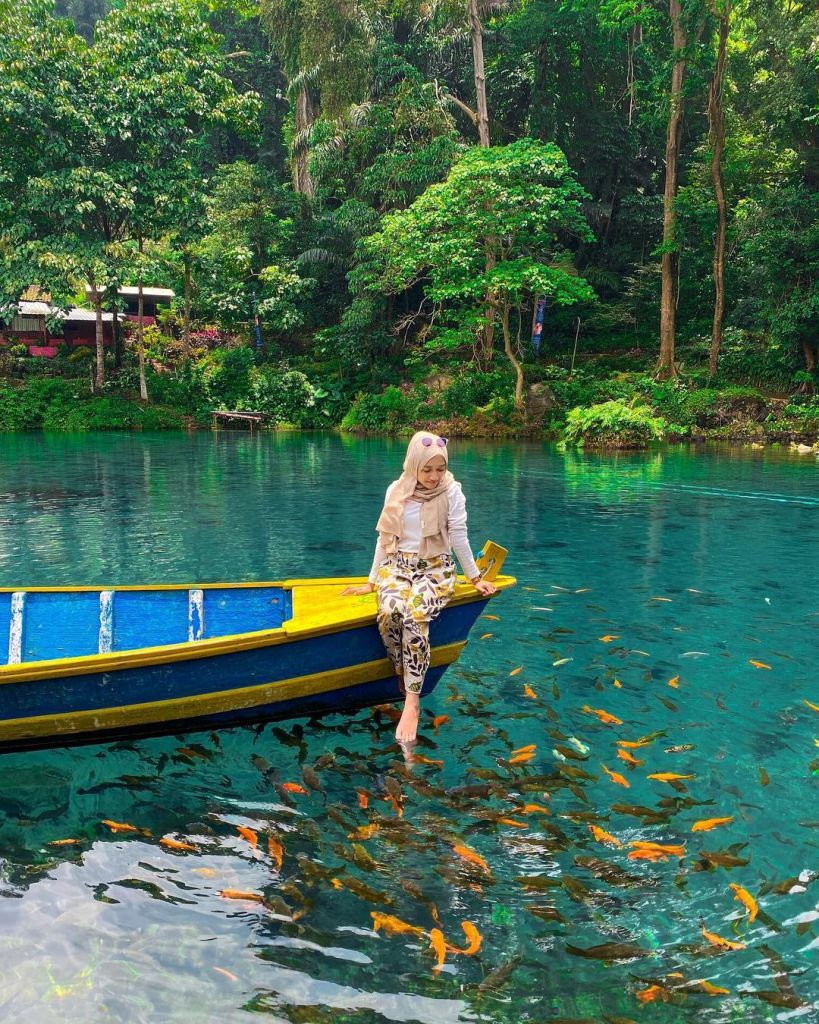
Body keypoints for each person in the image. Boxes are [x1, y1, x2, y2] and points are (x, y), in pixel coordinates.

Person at [342, 431, 496, 744]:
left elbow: (459, 538)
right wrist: (371, 581)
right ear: (413, 465)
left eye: (439, 469)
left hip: (435, 569)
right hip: (397, 567)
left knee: (414, 616)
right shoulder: (396, 491)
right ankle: (403, 670)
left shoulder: (452, 492)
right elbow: (384, 539)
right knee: (390, 612)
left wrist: (476, 577)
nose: (433, 476)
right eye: (426, 469)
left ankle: (412, 701)